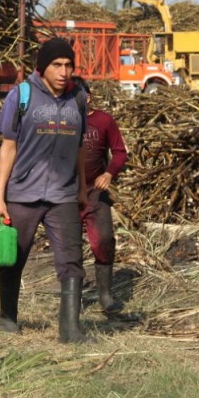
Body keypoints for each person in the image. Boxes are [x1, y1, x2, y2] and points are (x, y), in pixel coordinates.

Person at [0, 37, 91, 343]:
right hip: (22, 193)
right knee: (14, 257)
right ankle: (8, 317)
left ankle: (70, 331)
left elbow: (80, 149)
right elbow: (8, 148)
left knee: (72, 260)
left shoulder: (79, 99)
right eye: (57, 65)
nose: (64, 71)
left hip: (63, 194)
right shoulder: (21, 96)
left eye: (69, 65)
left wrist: (82, 188)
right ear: (42, 67)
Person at [74, 77, 128, 312]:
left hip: (95, 193)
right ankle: (72, 297)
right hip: (66, 195)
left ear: (88, 98)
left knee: (104, 240)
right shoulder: (61, 123)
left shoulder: (103, 121)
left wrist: (108, 174)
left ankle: (105, 295)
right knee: (70, 247)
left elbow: (119, 153)